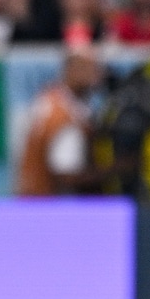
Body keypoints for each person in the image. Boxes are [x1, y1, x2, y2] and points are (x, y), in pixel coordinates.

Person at [15, 48, 105, 196]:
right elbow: (67, 175)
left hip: (31, 195)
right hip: (49, 205)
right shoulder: (64, 117)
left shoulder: (50, 98)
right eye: (90, 68)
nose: (97, 75)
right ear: (71, 70)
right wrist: (120, 168)